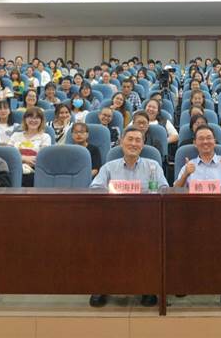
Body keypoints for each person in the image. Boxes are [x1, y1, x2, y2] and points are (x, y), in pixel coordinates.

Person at [88, 127, 167, 309]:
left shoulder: (153, 166)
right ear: (122, 142)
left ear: (143, 144)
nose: (133, 144)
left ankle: (147, 287)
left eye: (138, 140)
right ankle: (102, 286)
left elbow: (163, 189)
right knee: (101, 239)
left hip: (145, 220)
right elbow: (95, 189)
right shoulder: (109, 167)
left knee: (152, 240)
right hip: (113, 219)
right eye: (130, 139)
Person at [172, 125, 221, 314]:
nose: (205, 141)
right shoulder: (189, 165)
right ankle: (183, 281)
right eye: (201, 138)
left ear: (215, 141)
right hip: (192, 215)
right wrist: (186, 174)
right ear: (195, 143)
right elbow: (175, 190)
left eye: (209, 138)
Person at [8, 106, 52, 186]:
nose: (33, 120)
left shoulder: (45, 137)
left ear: (41, 121)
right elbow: (9, 155)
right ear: (25, 119)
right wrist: (24, 158)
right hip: (15, 168)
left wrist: (19, 159)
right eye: (30, 117)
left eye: (37, 118)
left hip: (35, 170)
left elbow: (42, 158)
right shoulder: (15, 135)